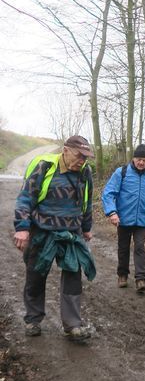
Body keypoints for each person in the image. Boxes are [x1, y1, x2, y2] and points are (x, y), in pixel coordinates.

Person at [13, 135, 96, 342]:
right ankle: (33, 319)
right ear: (65, 150)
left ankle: (73, 325)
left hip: (70, 233)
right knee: (36, 275)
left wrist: (86, 227)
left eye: (85, 157)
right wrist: (22, 228)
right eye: (79, 156)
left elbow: (87, 201)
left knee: (73, 276)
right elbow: (25, 198)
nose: (82, 161)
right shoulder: (44, 167)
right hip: (42, 230)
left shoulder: (85, 172)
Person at [101, 144, 145, 293]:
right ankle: (122, 275)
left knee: (140, 247)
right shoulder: (122, 173)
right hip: (124, 219)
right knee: (123, 248)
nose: (141, 163)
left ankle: (140, 279)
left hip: (142, 220)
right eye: (139, 159)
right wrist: (112, 212)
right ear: (133, 158)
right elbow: (108, 193)